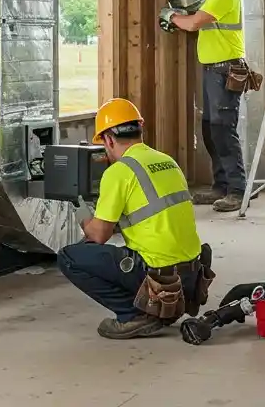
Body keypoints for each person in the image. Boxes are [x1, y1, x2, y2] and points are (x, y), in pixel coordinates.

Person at [57, 98, 213, 340]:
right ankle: (167, 304)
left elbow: (98, 235)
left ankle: (135, 314)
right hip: (190, 274)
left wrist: (81, 211)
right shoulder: (168, 161)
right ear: (140, 129)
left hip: (158, 274)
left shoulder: (119, 172)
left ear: (108, 139)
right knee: (128, 251)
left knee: (70, 256)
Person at [163, 0, 248, 212]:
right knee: (211, 130)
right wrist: (179, 18)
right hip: (214, 70)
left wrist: (170, 16)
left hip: (225, 70)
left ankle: (237, 190)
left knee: (223, 131)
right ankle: (220, 187)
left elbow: (192, 24)